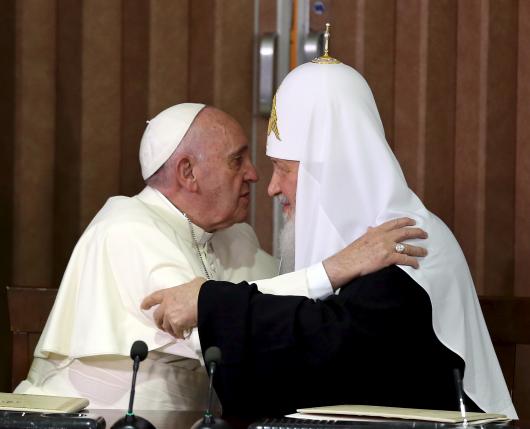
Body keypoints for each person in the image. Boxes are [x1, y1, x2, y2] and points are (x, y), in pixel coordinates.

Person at [142, 48, 517, 419]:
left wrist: (209, 303)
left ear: (331, 171)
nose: (272, 188)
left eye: (284, 169)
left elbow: (323, 347)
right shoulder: (368, 245)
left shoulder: (406, 241)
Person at [14, 103, 427, 410]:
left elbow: (274, 317)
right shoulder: (126, 228)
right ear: (187, 173)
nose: (253, 174)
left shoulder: (234, 237)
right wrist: (337, 268)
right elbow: (207, 323)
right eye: (237, 160)